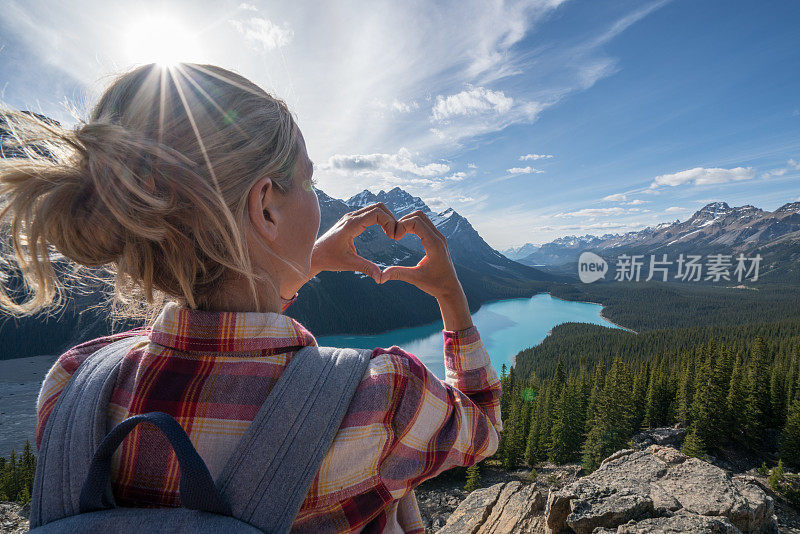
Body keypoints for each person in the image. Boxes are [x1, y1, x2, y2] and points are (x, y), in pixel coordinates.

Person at [0, 62, 502, 533]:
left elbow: (229, 340)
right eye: (308, 180)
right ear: (265, 206)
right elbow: (483, 427)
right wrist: (451, 297)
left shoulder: (72, 384)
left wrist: (300, 261)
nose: (318, 200)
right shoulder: (382, 398)